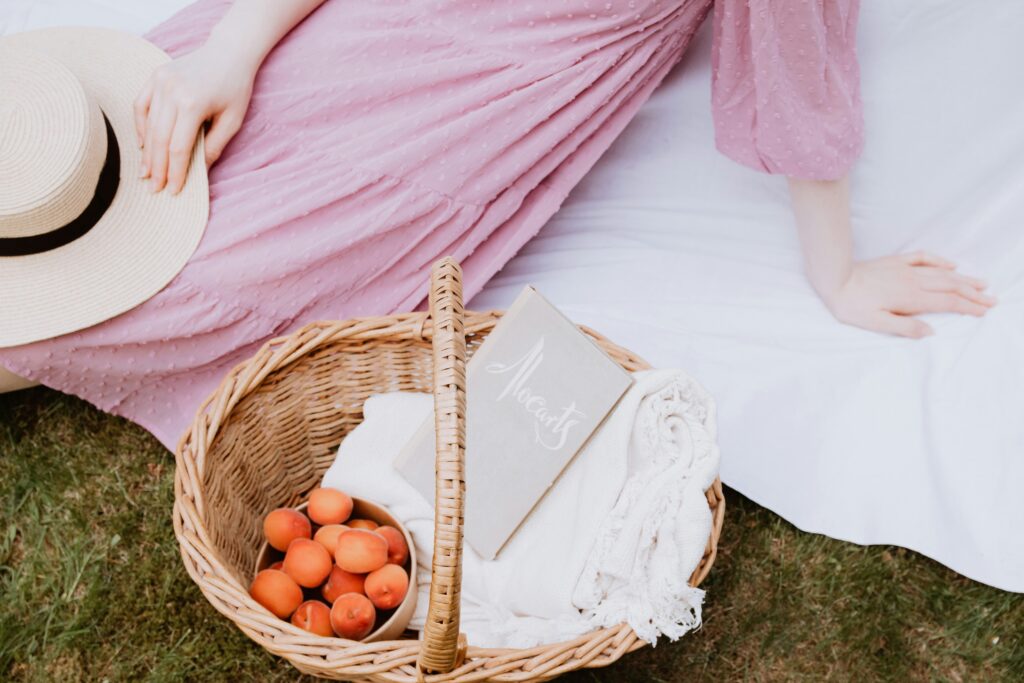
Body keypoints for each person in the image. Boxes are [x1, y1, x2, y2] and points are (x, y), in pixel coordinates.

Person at [0, 0, 993, 443]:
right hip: (350, 26)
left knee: (188, 273)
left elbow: (796, 73)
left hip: (475, 104)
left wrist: (838, 271)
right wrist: (235, 45)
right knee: (103, 166)